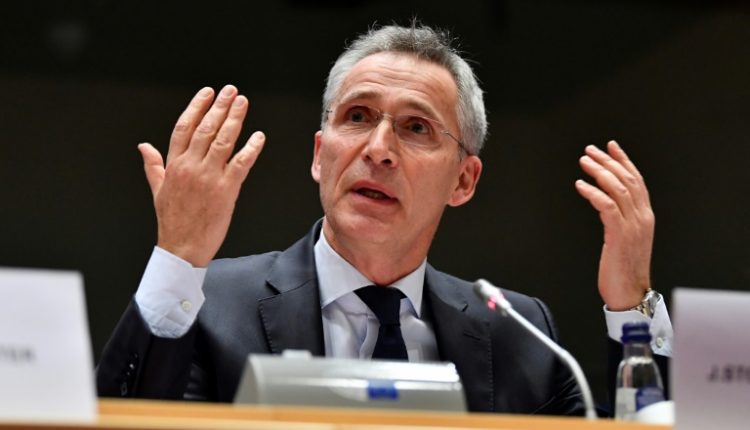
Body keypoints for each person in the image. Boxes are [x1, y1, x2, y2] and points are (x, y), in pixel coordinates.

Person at [96, 23, 672, 415]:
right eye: (357, 117)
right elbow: (122, 419)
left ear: (464, 180)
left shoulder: (518, 332)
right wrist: (178, 258)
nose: (378, 149)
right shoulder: (211, 302)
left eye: (416, 127)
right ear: (319, 156)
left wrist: (633, 306)